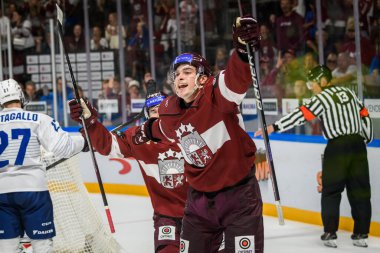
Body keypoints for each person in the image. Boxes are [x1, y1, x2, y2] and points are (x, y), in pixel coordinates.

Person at [136, 15, 261, 253]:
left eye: (187, 71)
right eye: (177, 74)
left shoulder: (217, 95)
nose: (180, 77)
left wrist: (243, 51)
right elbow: (161, 128)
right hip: (199, 201)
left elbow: (236, 79)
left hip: (238, 195)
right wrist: (145, 130)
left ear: (203, 79)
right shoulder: (168, 109)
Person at [255, 65, 373, 248]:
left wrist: (273, 127)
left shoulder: (322, 98)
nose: (312, 87)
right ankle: (361, 234)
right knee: (361, 191)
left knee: (331, 191)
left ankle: (330, 233)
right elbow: (365, 115)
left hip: (337, 147)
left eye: (313, 83)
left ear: (324, 81)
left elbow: (301, 114)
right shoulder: (349, 93)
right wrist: (366, 138)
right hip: (358, 146)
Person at [68, 83, 190, 253]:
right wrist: (90, 122)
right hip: (167, 217)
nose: (160, 114)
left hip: (203, 213)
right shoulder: (139, 138)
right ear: (147, 117)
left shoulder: (190, 132)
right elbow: (107, 145)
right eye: (154, 111)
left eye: (163, 109)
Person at [0, 79, 87, 252]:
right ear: (21, 96)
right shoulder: (38, 119)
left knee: (7, 248)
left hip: (2, 193)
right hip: (34, 192)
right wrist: (84, 141)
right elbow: (63, 147)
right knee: (42, 247)